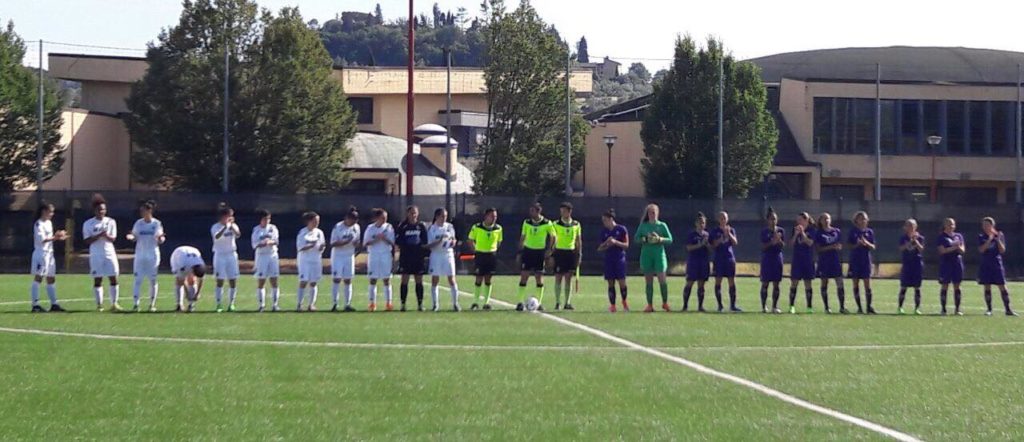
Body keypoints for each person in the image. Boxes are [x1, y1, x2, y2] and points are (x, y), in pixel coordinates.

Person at [126, 199, 165, 312]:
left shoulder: (156, 223)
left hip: (153, 255)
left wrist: (161, 239)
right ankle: (136, 304)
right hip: (140, 255)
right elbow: (134, 236)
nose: (142, 213)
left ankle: (152, 304)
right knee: (138, 279)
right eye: (141, 211)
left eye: (144, 211)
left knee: (152, 280)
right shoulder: (138, 223)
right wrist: (131, 237)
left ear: (149, 211)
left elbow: (160, 238)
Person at [84, 194, 120, 312]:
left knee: (113, 277)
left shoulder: (111, 222)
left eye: (103, 209)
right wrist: (99, 235)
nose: (102, 211)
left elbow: (113, 238)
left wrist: (106, 235)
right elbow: (87, 240)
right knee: (98, 279)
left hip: (109, 253)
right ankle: (99, 305)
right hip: (96, 254)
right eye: (99, 209)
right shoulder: (88, 223)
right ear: (95, 210)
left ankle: (114, 303)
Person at [30, 202, 67, 312]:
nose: (52, 214)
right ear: (44, 211)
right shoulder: (39, 224)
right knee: (39, 278)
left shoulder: (49, 223)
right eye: (50, 211)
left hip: (49, 254)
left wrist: (58, 237)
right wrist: (56, 237)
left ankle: (54, 304)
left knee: (51, 278)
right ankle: (35, 305)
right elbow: (42, 240)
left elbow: (50, 238)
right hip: (41, 254)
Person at [635, 204, 673, 313]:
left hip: (659, 255)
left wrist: (660, 239)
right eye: (650, 212)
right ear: (647, 214)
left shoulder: (662, 225)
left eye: (654, 212)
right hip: (646, 255)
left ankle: (665, 303)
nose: (652, 214)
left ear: (658, 213)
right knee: (649, 281)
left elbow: (670, 239)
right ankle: (650, 305)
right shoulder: (643, 226)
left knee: (662, 279)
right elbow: (636, 238)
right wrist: (645, 239)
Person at [516, 203, 554, 312]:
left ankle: (539, 303)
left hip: (539, 252)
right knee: (524, 276)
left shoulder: (547, 223)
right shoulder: (527, 222)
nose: (530, 213)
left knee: (539, 277)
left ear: (538, 211)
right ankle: (520, 302)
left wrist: (550, 250)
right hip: (528, 251)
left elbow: (553, 236)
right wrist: (519, 252)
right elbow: (523, 237)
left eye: (532, 211)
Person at [978, 217, 1017, 316]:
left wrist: (998, 240)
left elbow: (1002, 250)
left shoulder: (999, 235)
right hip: (986, 264)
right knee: (987, 285)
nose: (985, 227)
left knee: (1002, 285)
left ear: (992, 225)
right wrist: (989, 240)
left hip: (996, 263)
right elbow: (981, 250)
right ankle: (989, 309)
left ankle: (1008, 309)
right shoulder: (981, 236)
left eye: (987, 225)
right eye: (984, 225)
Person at [467, 208, 503, 311]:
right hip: (480, 255)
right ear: (486, 216)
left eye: (495, 216)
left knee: (488, 278)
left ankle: (486, 302)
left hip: (491, 255)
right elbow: (470, 240)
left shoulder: (498, 228)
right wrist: (476, 250)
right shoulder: (477, 227)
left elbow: (499, 241)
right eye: (492, 216)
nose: (494, 218)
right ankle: (475, 302)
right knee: (479, 278)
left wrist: (493, 249)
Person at [395, 206, 429, 311]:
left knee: (419, 280)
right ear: (407, 214)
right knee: (404, 280)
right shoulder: (403, 226)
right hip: (406, 257)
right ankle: (403, 304)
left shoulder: (421, 226)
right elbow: (398, 241)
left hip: (418, 257)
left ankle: (420, 304)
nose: (413, 215)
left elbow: (425, 241)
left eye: (415, 213)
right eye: (411, 213)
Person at [362, 208, 396, 312]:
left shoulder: (389, 227)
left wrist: (384, 238)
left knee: (386, 279)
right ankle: (372, 303)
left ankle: (388, 303)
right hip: (374, 255)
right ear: (377, 218)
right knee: (373, 279)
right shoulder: (370, 228)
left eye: (386, 217)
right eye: (382, 217)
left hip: (385, 255)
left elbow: (392, 243)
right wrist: (376, 239)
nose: (384, 219)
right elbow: (365, 243)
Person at [427, 208, 460, 312]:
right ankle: (435, 304)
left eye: (445, 216)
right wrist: (439, 241)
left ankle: (455, 303)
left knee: (451, 279)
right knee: (435, 279)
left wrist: (453, 242)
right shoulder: (432, 228)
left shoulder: (449, 227)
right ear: (437, 216)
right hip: (436, 255)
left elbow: (454, 238)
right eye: (442, 216)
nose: (444, 218)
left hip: (448, 254)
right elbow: (429, 245)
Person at [551, 202, 582, 310]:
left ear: (569, 212)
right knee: (558, 277)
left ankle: (567, 303)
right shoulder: (555, 224)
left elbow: (578, 240)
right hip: (559, 252)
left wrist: (579, 253)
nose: (562, 213)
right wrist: (551, 253)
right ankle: (557, 302)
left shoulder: (576, 224)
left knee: (568, 278)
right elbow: (552, 239)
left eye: (564, 211)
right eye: (561, 211)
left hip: (571, 253)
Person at [210, 202, 240, 312]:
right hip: (220, 255)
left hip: (231, 255)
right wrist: (225, 228)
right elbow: (217, 237)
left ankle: (231, 304)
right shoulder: (215, 227)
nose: (231, 218)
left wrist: (231, 227)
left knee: (233, 280)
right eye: (229, 216)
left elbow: (238, 234)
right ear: (223, 216)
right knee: (220, 280)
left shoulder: (233, 226)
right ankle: (219, 304)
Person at [330, 207, 361, 312]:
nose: (353, 223)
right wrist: (345, 242)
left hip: (349, 256)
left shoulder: (356, 227)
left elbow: (357, 241)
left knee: (348, 279)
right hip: (338, 256)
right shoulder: (338, 227)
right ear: (347, 218)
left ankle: (347, 304)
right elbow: (333, 243)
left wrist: (356, 244)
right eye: (352, 220)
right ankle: (335, 303)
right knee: (337, 279)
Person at [597, 209, 629, 313]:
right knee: (610, 282)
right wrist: (607, 243)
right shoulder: (604, 232)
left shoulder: (621, 229)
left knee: (622, 282)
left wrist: (615, 242)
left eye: (605, 220)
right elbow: (600, 248)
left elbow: (626, 245)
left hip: (619, 259)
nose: (604, 222)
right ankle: (613, 305)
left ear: (611, 219)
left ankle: (624, 302)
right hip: (609, 259)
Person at [814, 213, 845, 314]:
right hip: (824, 261)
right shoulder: (819, 233)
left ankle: (842, 307)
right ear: (820, 221)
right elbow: (818, 249)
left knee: (840, 282)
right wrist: (830, 247)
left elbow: (840, 244)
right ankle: (826, 307)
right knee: (824, 282)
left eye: (828, 218)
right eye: (824, 219)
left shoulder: (836, 231)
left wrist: (838, 247)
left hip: (835, 260)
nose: (826, 220)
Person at [709, 211, 740, 312]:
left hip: (729, 259)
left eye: (725, 218)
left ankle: (733, 305)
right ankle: (720, 305)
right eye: (721, 218)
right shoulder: (715, 231)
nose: (723, 220)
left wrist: (729, 234)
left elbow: (735, 242)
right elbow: (712, 245)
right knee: (718, 281)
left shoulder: (731, 230)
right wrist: (720, 239)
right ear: (718, 220)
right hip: (719, 259)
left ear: (727, 219)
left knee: (731, 281)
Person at [296, 211, 326, 312]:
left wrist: (321, 247)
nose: (317, 223)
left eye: (318, 221)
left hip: (316, 260)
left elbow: (322, 246)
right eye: (315, 221)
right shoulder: (302, 232)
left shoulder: (319, 233)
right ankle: (299, 304)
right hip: (305, 260)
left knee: (313, 282)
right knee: (303, 281)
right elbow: (300, 247)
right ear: (309, 221)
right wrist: (310, 246)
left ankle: (311, 304)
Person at [847, 211, 877, 314]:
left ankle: (868, 307)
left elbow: (873, 246)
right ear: (856, 220)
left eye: (864, 218)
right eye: (860, 218)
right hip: (855, 260)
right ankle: (859, 308)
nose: (862, 220)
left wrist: (866, 243)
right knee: (855, 283)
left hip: (866, 260)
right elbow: (849, 246)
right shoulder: (853, 231)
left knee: (867, 284)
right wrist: (857, 244)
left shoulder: (869, 232)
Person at [251, 208, 280, 312]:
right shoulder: (256, 230)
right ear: (260, 219)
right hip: (261, 256)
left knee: (274, 280)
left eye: (269, 219)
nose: (267, 221)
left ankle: (275, 305)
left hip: (272, 255)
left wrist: (270, 242)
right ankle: (261, 305)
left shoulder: (273, 228)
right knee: (261, 281)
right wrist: (263, 243)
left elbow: (276, 241)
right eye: (265, 219)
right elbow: (254, 245)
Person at [787, 212, 816, 314]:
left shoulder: (812, 230)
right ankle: (791, 306)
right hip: (797, 260)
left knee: (808, 284)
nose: (798, 222)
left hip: (808, 260)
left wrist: (802, 233)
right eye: (797, 220)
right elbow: (790, 244)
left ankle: (809, 307)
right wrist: (795, 234)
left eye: (800, 220)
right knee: (794, 283)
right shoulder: (794, 230)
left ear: (806, 220)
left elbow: (810, 243)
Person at [936, 218, 965, 315]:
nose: (951, 226)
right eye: (949, 224)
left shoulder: (958, 236)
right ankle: (943, 309)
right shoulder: (941, 237)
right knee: (945, 285)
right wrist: (954, 247)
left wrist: (958, 247)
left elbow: (962, 250)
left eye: (952, 224)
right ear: (945, 225)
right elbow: (942, 251)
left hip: (957, 263)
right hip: (946, 263)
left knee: (957, 285)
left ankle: (957, 309)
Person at [682, 212, 710, 312]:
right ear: (696, 223)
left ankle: (700, 306)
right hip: (693, 262)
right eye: (700, 222)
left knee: (701, 284)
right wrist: (700, 244)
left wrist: (707, 245)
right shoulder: (692, 235)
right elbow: (688, 247)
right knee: (690, 282)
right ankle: (685, 306)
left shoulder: (707, 235)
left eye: (703, 223)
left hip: (703, 262)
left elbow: (711, 249)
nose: (701, 224)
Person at [759, 207, 785, 314]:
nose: (773, 221)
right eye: (771, 219)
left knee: (776, 283)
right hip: (767, 258)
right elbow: (763, 247)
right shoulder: (764, 232)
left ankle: (774, 306)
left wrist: (779, 240)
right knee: (765, 282)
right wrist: (772, 242)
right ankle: (764, 306)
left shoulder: (781, 231)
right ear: (768, 220)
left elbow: (783, 245)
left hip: (777, 258)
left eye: (775, 219)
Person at [897, 219, 925, 315]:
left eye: (912, 226)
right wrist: (909, 243)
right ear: (905, 227)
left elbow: (921, 249)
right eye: (908, 226)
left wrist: (916, 241)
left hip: (917, 264)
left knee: (917, 287)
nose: (910, 228)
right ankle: (900, 307)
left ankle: (917, 308)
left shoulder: (920, 237)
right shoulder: (903, 238)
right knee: (904, 286)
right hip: (907, 264)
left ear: (916, 227)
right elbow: (901, 248)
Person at [170, 245, 206, 312]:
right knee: (179, 281)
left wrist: (197, 293)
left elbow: (201, 280)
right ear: (192, 270)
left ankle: (191, 304)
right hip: (177, 255)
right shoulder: (183, 265)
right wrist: (187, 293)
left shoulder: (201, 264)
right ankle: (179, 304)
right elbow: (182, 280)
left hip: (192, 252)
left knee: (192, 280)